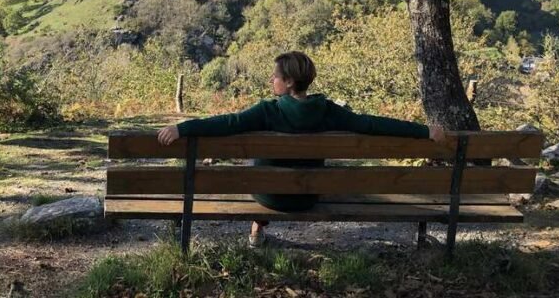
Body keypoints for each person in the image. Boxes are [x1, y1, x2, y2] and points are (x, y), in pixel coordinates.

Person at [157, 51, 447, 248]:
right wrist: (424, 131)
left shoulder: (267, 111)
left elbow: (228, 122)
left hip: (269, 197)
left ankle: (258, 228)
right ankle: (262, 220)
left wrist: (183, 128)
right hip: (308, 196)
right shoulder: (329, 111)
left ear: (290, 82)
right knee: (283, 167)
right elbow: (371, 124)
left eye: (275, 76)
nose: (271, 80)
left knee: (261, 169)